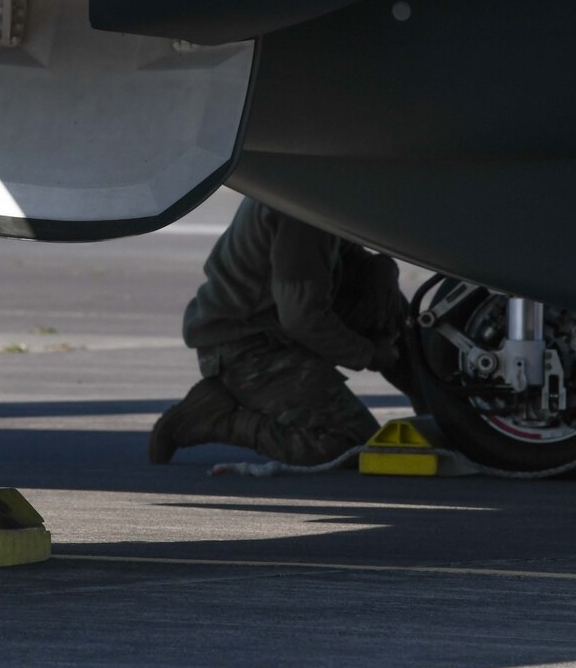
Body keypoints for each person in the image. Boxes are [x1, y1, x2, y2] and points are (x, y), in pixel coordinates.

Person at [149, 197, 413, 467]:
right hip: (247, 346)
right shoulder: (301, 209)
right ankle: (217, 420)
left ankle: (437, 406)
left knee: (382, 290)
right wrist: (368, 354)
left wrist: (382, 272)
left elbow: (341, 259)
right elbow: (302, 317)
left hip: (273, 329)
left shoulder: (318, 191)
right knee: (351, 443)